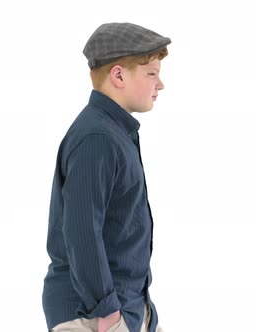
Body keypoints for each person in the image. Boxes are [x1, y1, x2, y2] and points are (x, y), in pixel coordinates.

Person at [42, 22, 170, 332]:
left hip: (125, 307)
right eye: (151, 73)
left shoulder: (115, 132)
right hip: (94, 316)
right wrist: (108, 312)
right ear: (118, 76)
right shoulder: (98, 137)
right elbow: (82, 229)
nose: (161, 84)